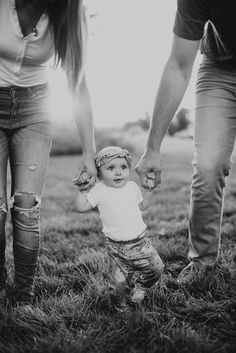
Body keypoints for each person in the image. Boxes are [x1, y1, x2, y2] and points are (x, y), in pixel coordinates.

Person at [0, 0, 97, 305]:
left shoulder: (66, 13)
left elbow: (77, 82)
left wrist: (88, 150)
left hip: (36, 110)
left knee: (27, 206)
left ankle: (24, 293)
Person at [135, 0, 236, 284]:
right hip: (220, 68)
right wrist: (153, 148)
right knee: (208, 164)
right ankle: (202, 262)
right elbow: (179, 66)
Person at [75, 146, 164, 311]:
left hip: (141, 243)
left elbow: (143, 205)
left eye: (123, 167)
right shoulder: (99, 190)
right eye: (111, 168)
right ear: (99, 174)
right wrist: (82, 191)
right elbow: (82, 207)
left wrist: (149, 191)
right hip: (117, 249)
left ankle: (142, 286)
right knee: (118, 284)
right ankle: (121, 308)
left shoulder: (132, 187)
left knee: (157, 269)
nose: (118, 172)